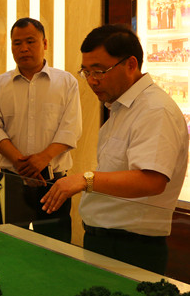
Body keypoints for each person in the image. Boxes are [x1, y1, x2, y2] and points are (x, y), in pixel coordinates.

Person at [41, 24, 189, 274]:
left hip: (131, 247)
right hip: (108, 241)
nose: (92, 81)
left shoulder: (155, 109)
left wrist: (85, 180)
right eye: (86, 72)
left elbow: (152, 181)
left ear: (131, 64)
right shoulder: (122, 107)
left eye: (100, 71)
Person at [0, 18, 82, 242]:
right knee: (11, 243)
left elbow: (71, 128)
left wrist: (43, 158)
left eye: (30, 41)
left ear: (45, 43)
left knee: (56, 245)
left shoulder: (66, 82)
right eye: (17, 43)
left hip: (54, 183)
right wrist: (20, 162)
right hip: (11, 181)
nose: (24, 48)